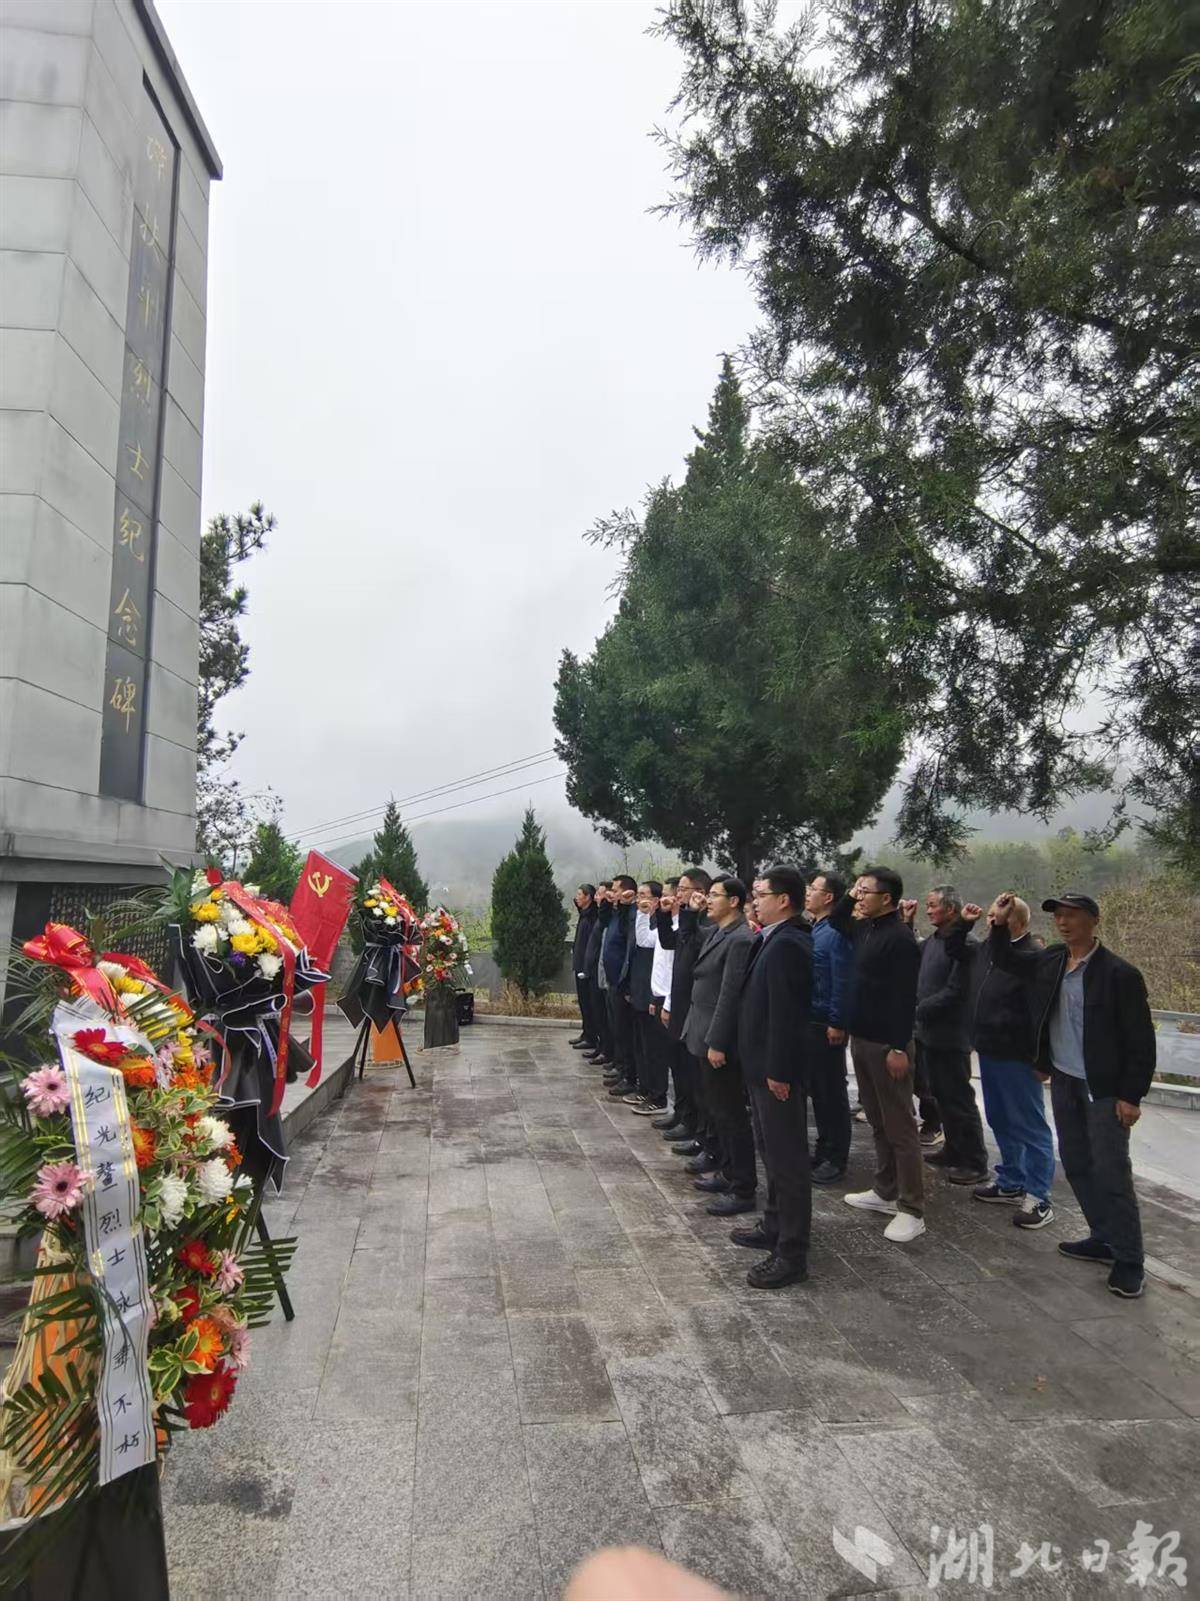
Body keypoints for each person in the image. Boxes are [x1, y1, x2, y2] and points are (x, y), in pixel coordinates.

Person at [988, 890, 1156, 1298]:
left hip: (1103, 1089)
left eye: (1073, 915)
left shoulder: (1120, 974)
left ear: (1094, 920)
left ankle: (1130, 1260)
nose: (1063, 922)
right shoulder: (1052, 960)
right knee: (1077, 1164)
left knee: (1111, 1172)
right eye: (1059, 916)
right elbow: (1006, 959)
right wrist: (998, 923)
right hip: (1063, 1079)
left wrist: (1131, 1096)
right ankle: (1103, 1238)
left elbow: (1140, 1040)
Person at [730, 864, 814, 1289]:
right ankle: (775, 1225)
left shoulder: (789, 944)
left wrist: (779, 1070)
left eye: (761, 894)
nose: (755, 901)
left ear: (784, 900)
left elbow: (788, 1015)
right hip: (760, 1067)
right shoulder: (773, 938)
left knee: (788, 1160)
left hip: (775, 1072)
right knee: (771, 1152)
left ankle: (792, 1253)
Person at [834, 866, 925, 1243]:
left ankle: (912, 1209)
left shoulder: (900, 939)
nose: (858, 896)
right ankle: (885, 1191)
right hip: (862, 1038)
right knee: (877, 1120)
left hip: (888, 1045)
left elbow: (905, 998)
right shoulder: (866, 929)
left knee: (900, 1126)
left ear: (886, 898)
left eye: (865, 891)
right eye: (857, 890)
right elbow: (837, 921)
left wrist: (899, 1047)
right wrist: (851, 894)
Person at [956, 895, 1056, 1230]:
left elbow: (1044, 1012)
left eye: (999, 917)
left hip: (1018, 1054)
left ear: (1019, 922)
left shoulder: (1032, 955)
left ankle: (1039, 1195)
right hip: (990, 1048)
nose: (992, 920)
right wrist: (964, 924)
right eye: (991, 916)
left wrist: (1043, 1059)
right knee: (999, 1118)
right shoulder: (990, 949)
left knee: (1029, 1125)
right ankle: (1011, 1180)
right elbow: (956, 949)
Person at [903, 886, 989, 1185]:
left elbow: (956, 991)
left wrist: (918, 1009)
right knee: (940, 1096)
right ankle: (953, 1150)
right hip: (929, 1034)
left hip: (952, 1035)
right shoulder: (932, 942)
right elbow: (912, 956)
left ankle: (975, 1162)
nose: (928, 910)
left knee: (959, 1099)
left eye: (932, 905)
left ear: (951, 909)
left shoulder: (966, 945)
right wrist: (907, 922)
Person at [682, 874, 757, 1215]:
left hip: (717, 1038)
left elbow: (730, 996)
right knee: (717, 1110)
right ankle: (727, 1170)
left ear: (734, 901)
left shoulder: (740, 939)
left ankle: (743, 1187)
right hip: (701, 1030)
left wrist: (718, 1042)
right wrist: (691, 912)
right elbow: (693, 938)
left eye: (714, 895)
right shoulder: (720, 931)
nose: (708, 899)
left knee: (730, 1114)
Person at [655, 869, 715, 1158]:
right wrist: (664, 914)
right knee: (678, 1066)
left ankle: (697, 1127)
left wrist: (691, 914)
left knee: (695, 1076)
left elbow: (693, 948)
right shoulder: (688, 920)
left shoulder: (706, 923)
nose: (677, 893)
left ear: (699, 892)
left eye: (683, 888)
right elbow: (670, 942)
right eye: (677, 888)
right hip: (678, 1003)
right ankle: (682, 1114)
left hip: (694, 1008)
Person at [805, 871, 853, 1183]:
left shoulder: (836, 932)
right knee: (818, 1092)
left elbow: (841, 979)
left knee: (831, 1092)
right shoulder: (816, 927)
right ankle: (823, 1149)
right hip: (811, 1019)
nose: (808, 893)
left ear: (829, 896)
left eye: (813, 888)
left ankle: (836, 1157)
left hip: (826, 1023)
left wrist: (837, 1021)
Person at [623, 881, 669, 1115]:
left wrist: (654, 997)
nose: (639, 898)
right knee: (641, 1046)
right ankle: (645, 1088)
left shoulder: (665, 925)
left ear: (656, 899)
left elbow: (663, 968)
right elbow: (641, 942)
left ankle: (658, 1094)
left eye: (644, 895)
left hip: (655, 996)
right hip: (640, 990)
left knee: (655, 1049)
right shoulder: (645, 921)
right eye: (638, 894)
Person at [601, 876, 638, 1098]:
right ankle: (621, 1068)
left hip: (622, 981)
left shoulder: (630, 915)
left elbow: (628, 943)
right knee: (617, 1029)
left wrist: (626, 904)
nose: (611, 893)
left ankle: (629, 1075)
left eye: (615, 890)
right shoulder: (615, 914)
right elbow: (603, 921)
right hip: (612, 980)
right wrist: (608, 903)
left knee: (625, 1032)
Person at [582, 882, 614, 1067]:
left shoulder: (607, 918)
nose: (596, 898)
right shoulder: (601, 918)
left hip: (603, 975)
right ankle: (602, 1048)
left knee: (605, 1017)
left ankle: (608, 1052)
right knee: (598, 1014)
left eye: (599, 894)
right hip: (595, 972)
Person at [570, 884, 598, 1052]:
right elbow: (580, 907)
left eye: (580, 894)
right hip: (579, 963)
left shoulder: (593, 916)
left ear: (588, 897)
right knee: (583, 1002)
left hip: (587, 967)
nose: (577, 897)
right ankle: (585, 1032)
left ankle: (591, 1036)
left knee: (589, 1004)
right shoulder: (584, 914)